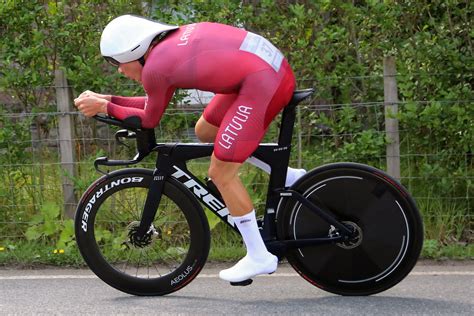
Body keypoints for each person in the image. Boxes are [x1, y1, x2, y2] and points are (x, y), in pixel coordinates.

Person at [74, 15, 305, 283]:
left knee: (221, 173)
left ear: (134, 51)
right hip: (262, 72)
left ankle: (259, 255)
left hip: (263, 82)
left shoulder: (156, 68)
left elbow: (149, 119)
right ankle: (286, 175)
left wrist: (104, 107)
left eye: (116, 62)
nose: (118, 70)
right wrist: (109, 100)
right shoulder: (165, 50)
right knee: (205, 130)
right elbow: (152, 103)